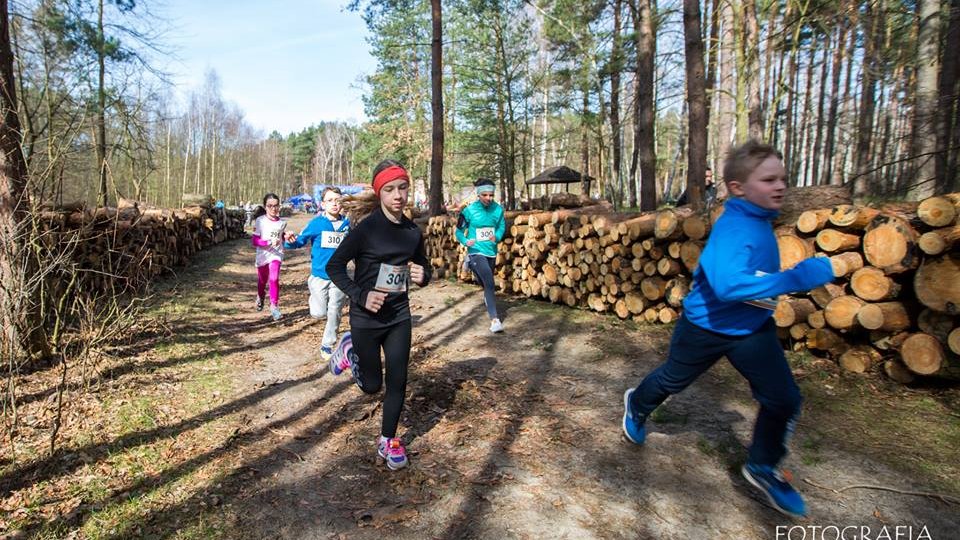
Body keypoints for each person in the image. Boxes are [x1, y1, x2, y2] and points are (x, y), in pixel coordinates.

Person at [621, 140, 835, 518]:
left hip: (752, 329)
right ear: (738, 187)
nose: (780, 186)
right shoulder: (736, 228)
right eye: (768, 179)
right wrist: (796, 277)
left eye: (782, 178)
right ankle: (637, 404)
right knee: (672, 379)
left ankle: (763, 466)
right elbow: (727, 285)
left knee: (783, 399)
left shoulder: (758, 220)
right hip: (705, 326)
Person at [326, 160, 431, 471]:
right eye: (389, 189)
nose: (397, 195)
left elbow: (426, 269)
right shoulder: (366, 230)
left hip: (399, 316)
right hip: (365, 320)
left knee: (397, 381)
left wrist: (422, 275)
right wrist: (360, 295)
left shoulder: (413, 232)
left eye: (402, 188)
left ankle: (389, 439)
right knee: (372, 385)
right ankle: (349, 348)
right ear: (379, 193)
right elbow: (334, 266)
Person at [284, 187, 350, 360]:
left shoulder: (348, 225)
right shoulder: (317, 223)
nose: (335, 204)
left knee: (335, 309)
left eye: (338, 200)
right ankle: (314, 299)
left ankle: (327, 344)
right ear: (322, 204)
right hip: (319, 277)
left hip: (339, 277)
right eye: (330, 200)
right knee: (319, 313)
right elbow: (299, 241)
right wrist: (290, 241)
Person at [455, 178, 506, 333]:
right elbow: (458, 231)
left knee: (484, 283)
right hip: (476, 250)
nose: (488, 198)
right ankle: (495, 320)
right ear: (478, 194)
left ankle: (469, 264)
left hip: (491, 251)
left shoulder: (498, 210)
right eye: (485, 195)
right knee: (490, 283)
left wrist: (497, 236)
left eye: (491, 195)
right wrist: (465, 241)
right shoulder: (469, 211)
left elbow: (501, 226)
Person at [250, 193, 291, 321]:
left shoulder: (282, 222)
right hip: (263, 255)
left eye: (276, 206)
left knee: (274, 279)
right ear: (265, 207)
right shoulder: (260, 221)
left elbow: (281, 237)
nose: (274, 208)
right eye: (270, 206)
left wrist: (286, 237)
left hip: (276, 254)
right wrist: (268, 242)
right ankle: (261, 296)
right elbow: (255, 241)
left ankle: (274, 306)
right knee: (262, 281)